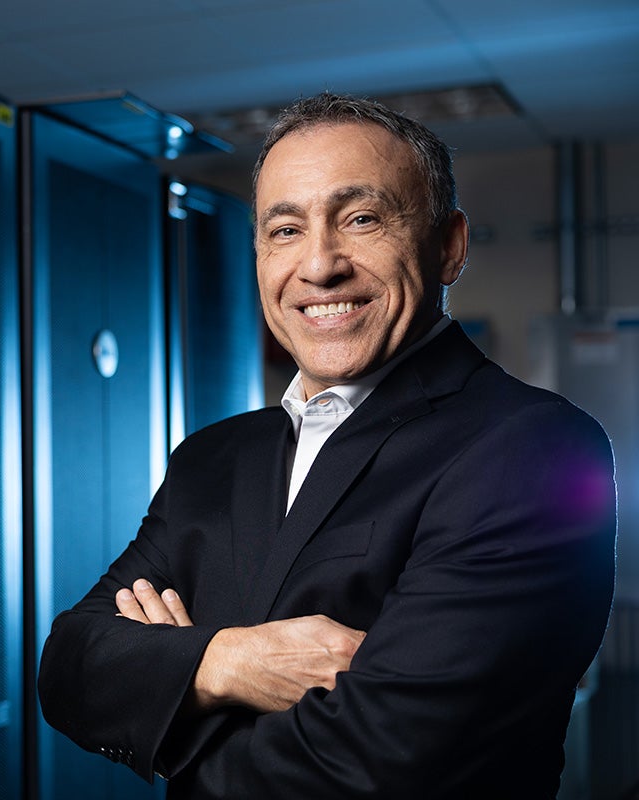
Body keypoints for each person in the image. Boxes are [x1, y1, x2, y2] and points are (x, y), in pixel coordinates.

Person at [37, 92, 617, 799]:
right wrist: (228, 661)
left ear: (450, 247)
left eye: (362, 219)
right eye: (284, 229)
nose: (319, 266)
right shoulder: (212, 458)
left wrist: (166, 694)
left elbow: (388, 762)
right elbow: (68, 667)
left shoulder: (533, 448)